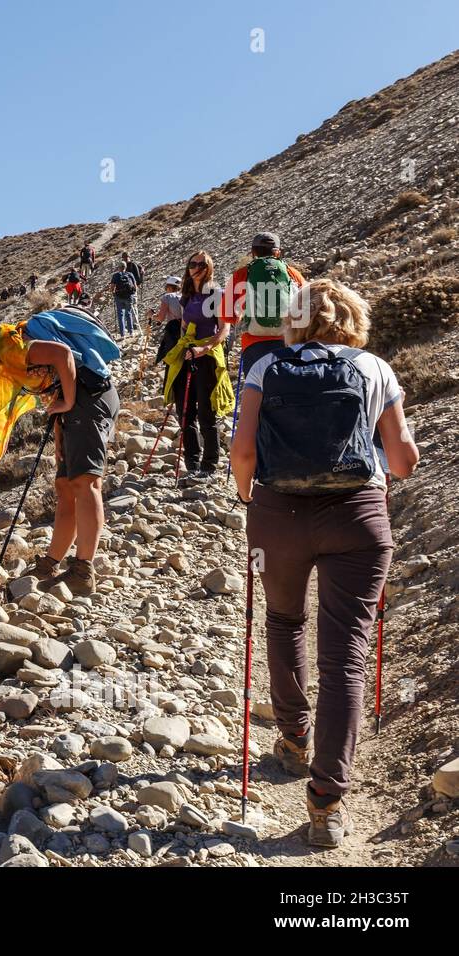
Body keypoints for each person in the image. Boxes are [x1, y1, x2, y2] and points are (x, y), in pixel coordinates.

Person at [230, 278, 419, 848]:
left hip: (277, 513)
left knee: (284, 621)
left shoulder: (264, 367)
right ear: (352, 320)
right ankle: (327, 802)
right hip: (356, 518)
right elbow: (403, 460)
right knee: (347, 658)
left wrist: (248, 497)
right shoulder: (374, 368)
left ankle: (292, 739)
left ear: (293, 321)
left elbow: (242, 451)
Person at [0, 305, 121, 598]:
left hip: (89, 400)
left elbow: (63, 356)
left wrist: (68, 403)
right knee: (65, 486)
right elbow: (55, 380)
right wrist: (60, 427)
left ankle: (83, 571)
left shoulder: (9, 348)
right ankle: (50, 565)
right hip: (81, 403)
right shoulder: (9, 349)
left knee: (85, 483)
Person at [160, 251, 233, 480]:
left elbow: (224, 329)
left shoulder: (218, 294)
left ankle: (209, 465)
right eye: (192, 263)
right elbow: (183, 324)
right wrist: (183, 348)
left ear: (209, 267)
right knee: (185, 411)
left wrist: (204, 349)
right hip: (188, 354)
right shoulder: (187, 296)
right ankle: (192, 464)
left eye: (201, 263)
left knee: (206, 414)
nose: (196, 267)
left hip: (208, 356)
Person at [221, 231, 306, 376]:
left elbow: (226, 315)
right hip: (288, 342)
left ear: (253, 252)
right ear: (277, 252)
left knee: (257, 390)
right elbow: (307, 308)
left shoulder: (241, 274)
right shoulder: (293, 274)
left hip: (253, 345)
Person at [109, 263, 138, 338]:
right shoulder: (130, 274)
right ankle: (131, 332)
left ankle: (122, 334)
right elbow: (135, 286)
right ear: (125, 267)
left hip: (119, 297)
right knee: (128, 313)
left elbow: (112, 287)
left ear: (119, 267)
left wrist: (113, 293)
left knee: (120, 314)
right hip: (129, 297)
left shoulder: (115, 275)